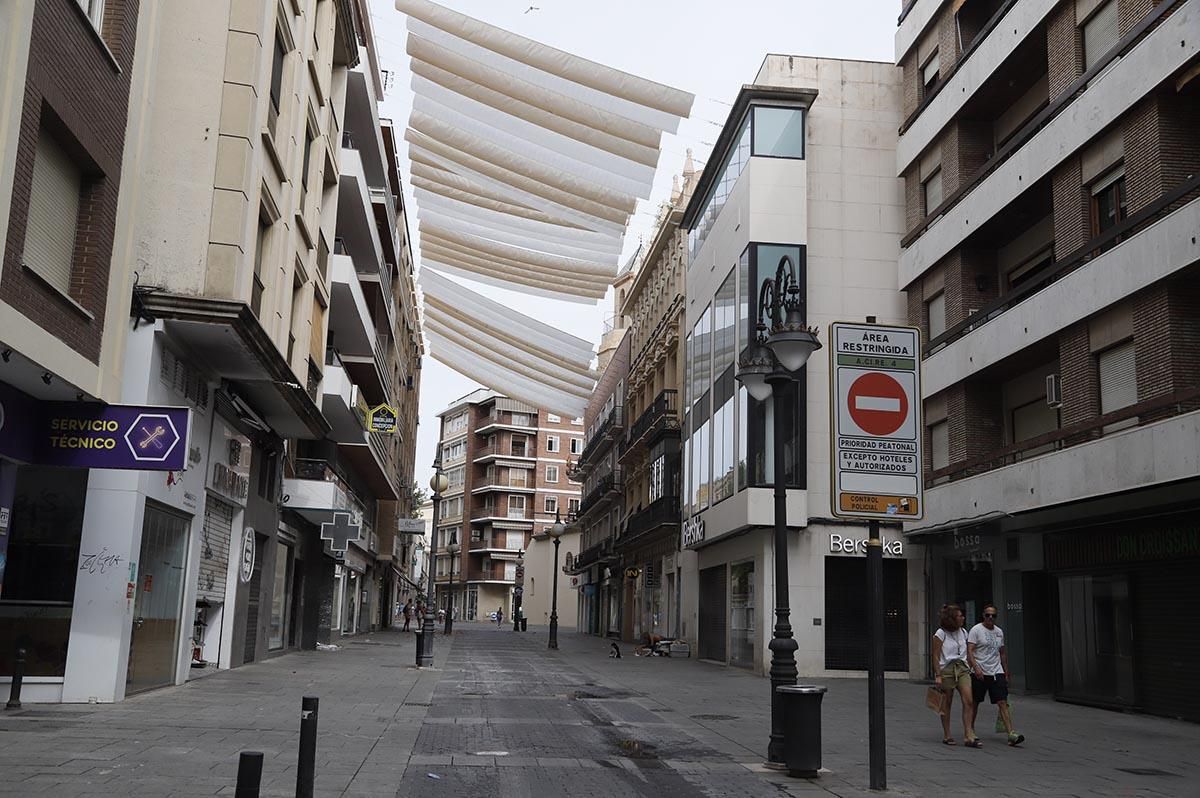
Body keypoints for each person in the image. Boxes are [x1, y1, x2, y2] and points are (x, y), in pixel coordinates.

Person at [969, 604, 1025, 746]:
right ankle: (970, 730)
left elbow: (1002, 652)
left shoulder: (999, 632)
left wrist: (1006, 671)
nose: (990, 618)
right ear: (983, 615)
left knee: (1002, 702)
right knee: (975, 702)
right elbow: (970, 651)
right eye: (988, 615)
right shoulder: (976, 630)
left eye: (993, 615)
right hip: (980, 671)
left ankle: (1011, 733)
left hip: (996, 671)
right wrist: (976, 668)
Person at [932, 603, 981, 747]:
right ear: (952, 618)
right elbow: (935, 655)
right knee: (947, 703)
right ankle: (947, 734)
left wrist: (971, 665)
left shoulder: (964, 632)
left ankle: (968, 734)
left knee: (969, 700)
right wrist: (938, 675)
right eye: (960, 616)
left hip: (962, 668)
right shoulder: (940, 634)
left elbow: (967, 650)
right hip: (947, 668)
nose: (963, 618)